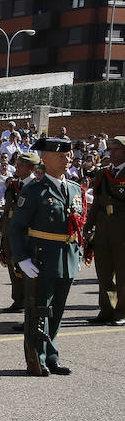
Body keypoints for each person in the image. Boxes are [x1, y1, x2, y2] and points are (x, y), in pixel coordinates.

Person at [8, 136, 85, 376]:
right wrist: (22, 258)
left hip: (66, 258)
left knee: (57, 312)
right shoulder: (34, 190)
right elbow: (16, 227)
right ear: (46, 158)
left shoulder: (73, 188)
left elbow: (77, 224)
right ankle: (36, 358)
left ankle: (51, 356)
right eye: (61, 156)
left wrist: (78, 254)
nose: (67, 159)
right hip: (42, 259)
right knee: (39, 311)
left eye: (68, 155)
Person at [83, 135, 125, 325]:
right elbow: (98, 203)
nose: (111, 152)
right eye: (110, 148)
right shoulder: (102, 174)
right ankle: (106, 310)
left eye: (116, 149)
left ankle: (121, 312)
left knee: (123, 274)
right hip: (103, 229)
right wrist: (88, 226)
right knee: (104, 272)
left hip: (122, 231)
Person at [0, 151, 38, 316]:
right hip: (10, 230)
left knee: (26, 267)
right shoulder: (13, 185)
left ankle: (29, 300)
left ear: (30, 168)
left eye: (21, 165)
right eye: (18, 164)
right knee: (12, 265)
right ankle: (18, 298)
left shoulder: (36, 186)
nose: (17, 167)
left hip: (25, 233)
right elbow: (7, 209)